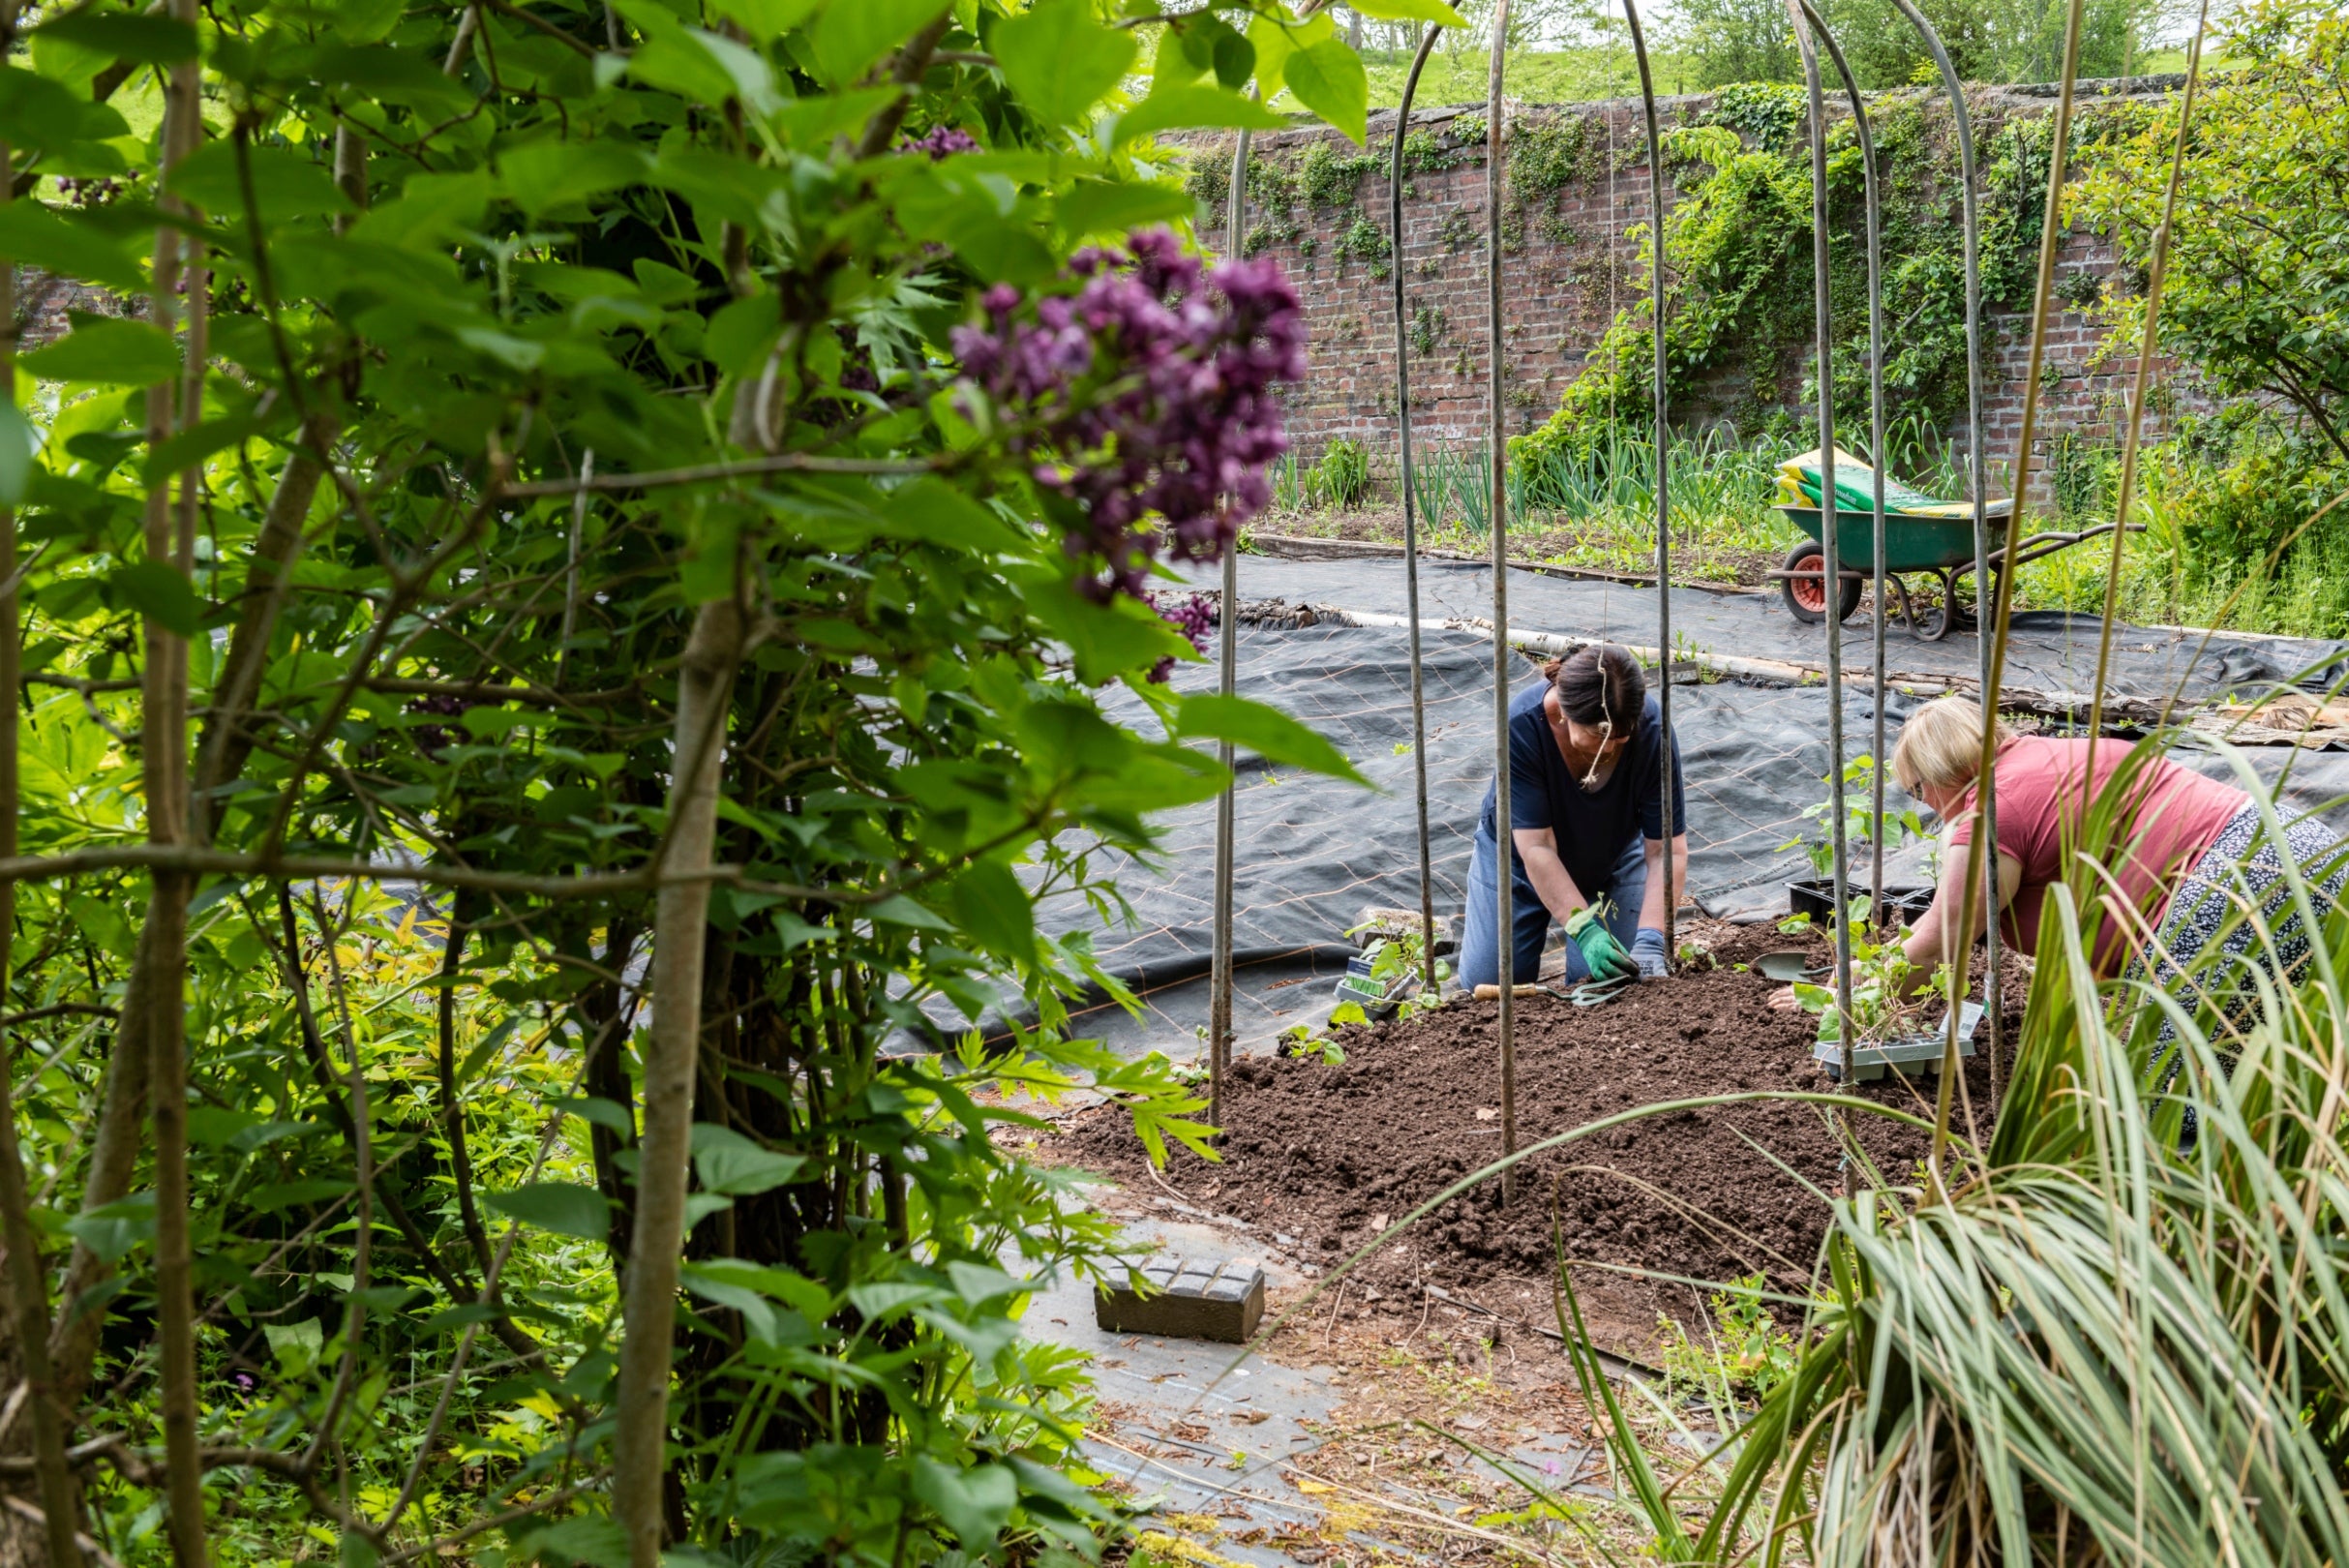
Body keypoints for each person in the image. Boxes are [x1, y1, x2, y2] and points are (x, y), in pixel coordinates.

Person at [1853, 697, 2348, 1010]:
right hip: (2302, 847)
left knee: (2179, 1103)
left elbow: (1948, 933)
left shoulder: (1989, 812)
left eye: (1918, 791)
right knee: (2302, 1055)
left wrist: (1854, 996)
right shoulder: (2063, 753)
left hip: (2230, 898)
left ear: (1940, 774)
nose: (1927, 807)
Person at [1459, 643, 1690, 990]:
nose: (1611, 748)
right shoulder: (1524, 725)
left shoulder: (1652, 730)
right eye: (1600, 735)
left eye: (1621, 739)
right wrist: (1584, 930)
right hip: (1520, 860)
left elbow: (1665, 851)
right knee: (1492, 981)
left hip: (1611, 859)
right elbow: (1536, 846)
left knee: (1611, 980)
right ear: (1565, 712)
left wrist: (1651, 939)